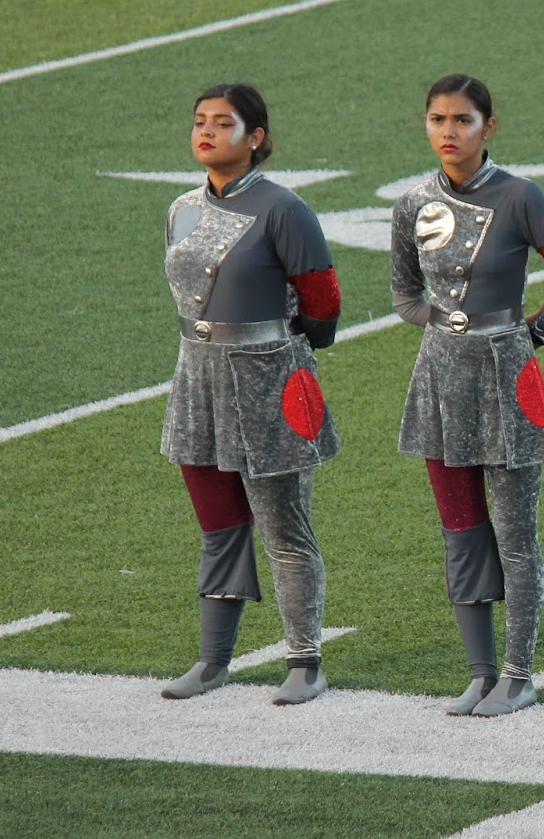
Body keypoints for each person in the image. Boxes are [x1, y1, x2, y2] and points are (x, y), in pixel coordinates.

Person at [390, 73, 544, 718]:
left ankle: (519, 673)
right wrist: (445, 329)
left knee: (515, 535)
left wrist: (532, 333)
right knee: (460, 530)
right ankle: (480, 673)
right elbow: (403, 294)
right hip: (439, 377)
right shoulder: (411, 202)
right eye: (437, 120)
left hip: (508, 377)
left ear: (489, 127)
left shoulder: (521, 197)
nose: (448, 132)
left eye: (462, 120)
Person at [159, 82, 342, 705]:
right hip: (197, 377)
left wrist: (284, 351)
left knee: (285, 530)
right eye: (199, 120)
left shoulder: (284, 209)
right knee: (219, 527)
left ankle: (305, 662)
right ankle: (213, 662)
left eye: (224, 123)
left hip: (268, 377)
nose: (206, 132)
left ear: (256, 137)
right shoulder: (181, 207)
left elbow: (323, 303)